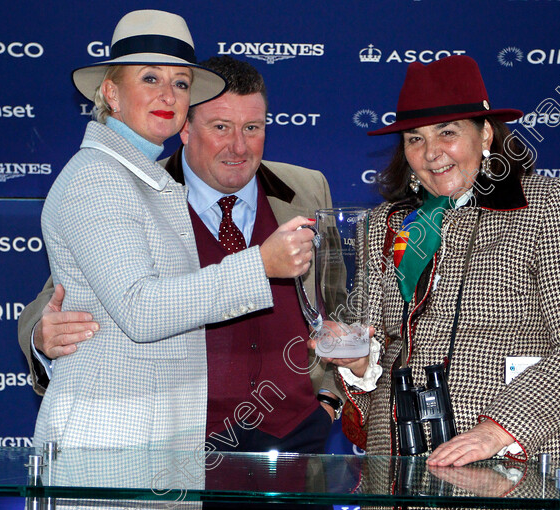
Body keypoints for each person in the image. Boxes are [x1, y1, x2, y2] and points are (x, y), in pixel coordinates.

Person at [23, 54, 343, 453]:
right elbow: (69, 288)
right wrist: (41, 334)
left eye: (252, 128)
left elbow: (339, 299)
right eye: (221, 127)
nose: (238, 146)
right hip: (183, 443)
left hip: (299, 437)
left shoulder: (308, 188)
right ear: (185, 128)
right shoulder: (138, 191)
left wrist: (329, 399)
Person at [322, 55, 560, 466]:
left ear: (486, 134)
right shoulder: (384, 224)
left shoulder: (544, 205)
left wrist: (497, 429)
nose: (432, 152)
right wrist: (359, 360)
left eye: (448, 132)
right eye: (415, 139)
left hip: (514, 463)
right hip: (399, 465)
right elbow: (379, 348)